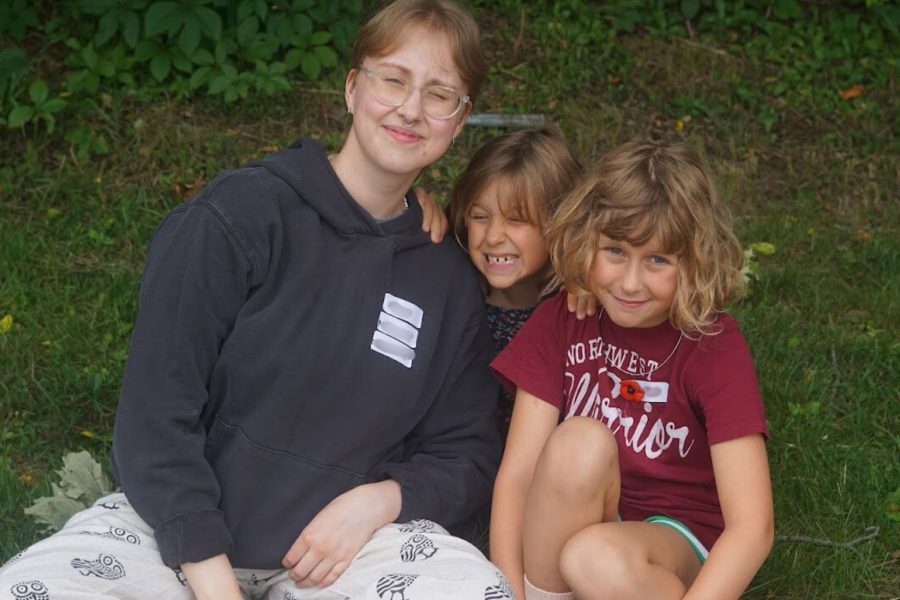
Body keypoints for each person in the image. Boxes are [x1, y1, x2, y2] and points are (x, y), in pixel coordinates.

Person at [0, 1, 513, 599]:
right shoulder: (237, 218)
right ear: (352, 87)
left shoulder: (446, 278)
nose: (410, 109)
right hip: (171, 532)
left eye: (439, 94)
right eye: (393, 79)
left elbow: (467, 452)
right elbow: (155, 418)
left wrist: (380, 501)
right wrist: (214, 581)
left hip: (342, 553)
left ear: (461, 117)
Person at [489, 137, 774, 600]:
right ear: (589, 240)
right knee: (578, 442)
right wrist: (504, 593)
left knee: (594, 558)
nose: (629, 282)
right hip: (578, 523)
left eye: (658, 260)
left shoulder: (712, 344)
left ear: (694, 262)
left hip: (673, 539)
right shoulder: (564, 318)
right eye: (615, 251)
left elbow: (753, 524)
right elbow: (517, 476)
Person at [448, 125, 582, 439]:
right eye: (480, 216)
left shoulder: (579, 310)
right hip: (456, 469)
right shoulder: (450, 290)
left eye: (516, 219)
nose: (493, 236)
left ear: (561, 223)